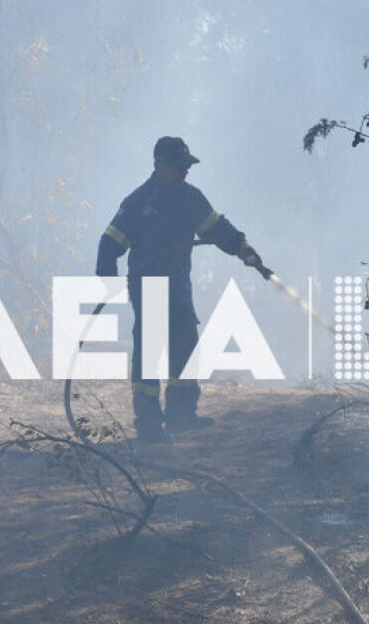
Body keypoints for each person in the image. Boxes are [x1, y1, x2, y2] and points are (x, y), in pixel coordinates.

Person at [96, 136, 263, 441]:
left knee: (185, 346)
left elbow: (216, 229)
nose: (185, 172)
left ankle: (182, 416)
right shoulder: (138, 203)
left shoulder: (191, 198)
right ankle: (148, 424)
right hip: (147, 288)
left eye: (186, 167)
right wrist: (108, 277)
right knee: (150, 354)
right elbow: (110, 242)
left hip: (178, 286)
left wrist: (242, 247)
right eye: (179, 166)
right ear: (160, 166)